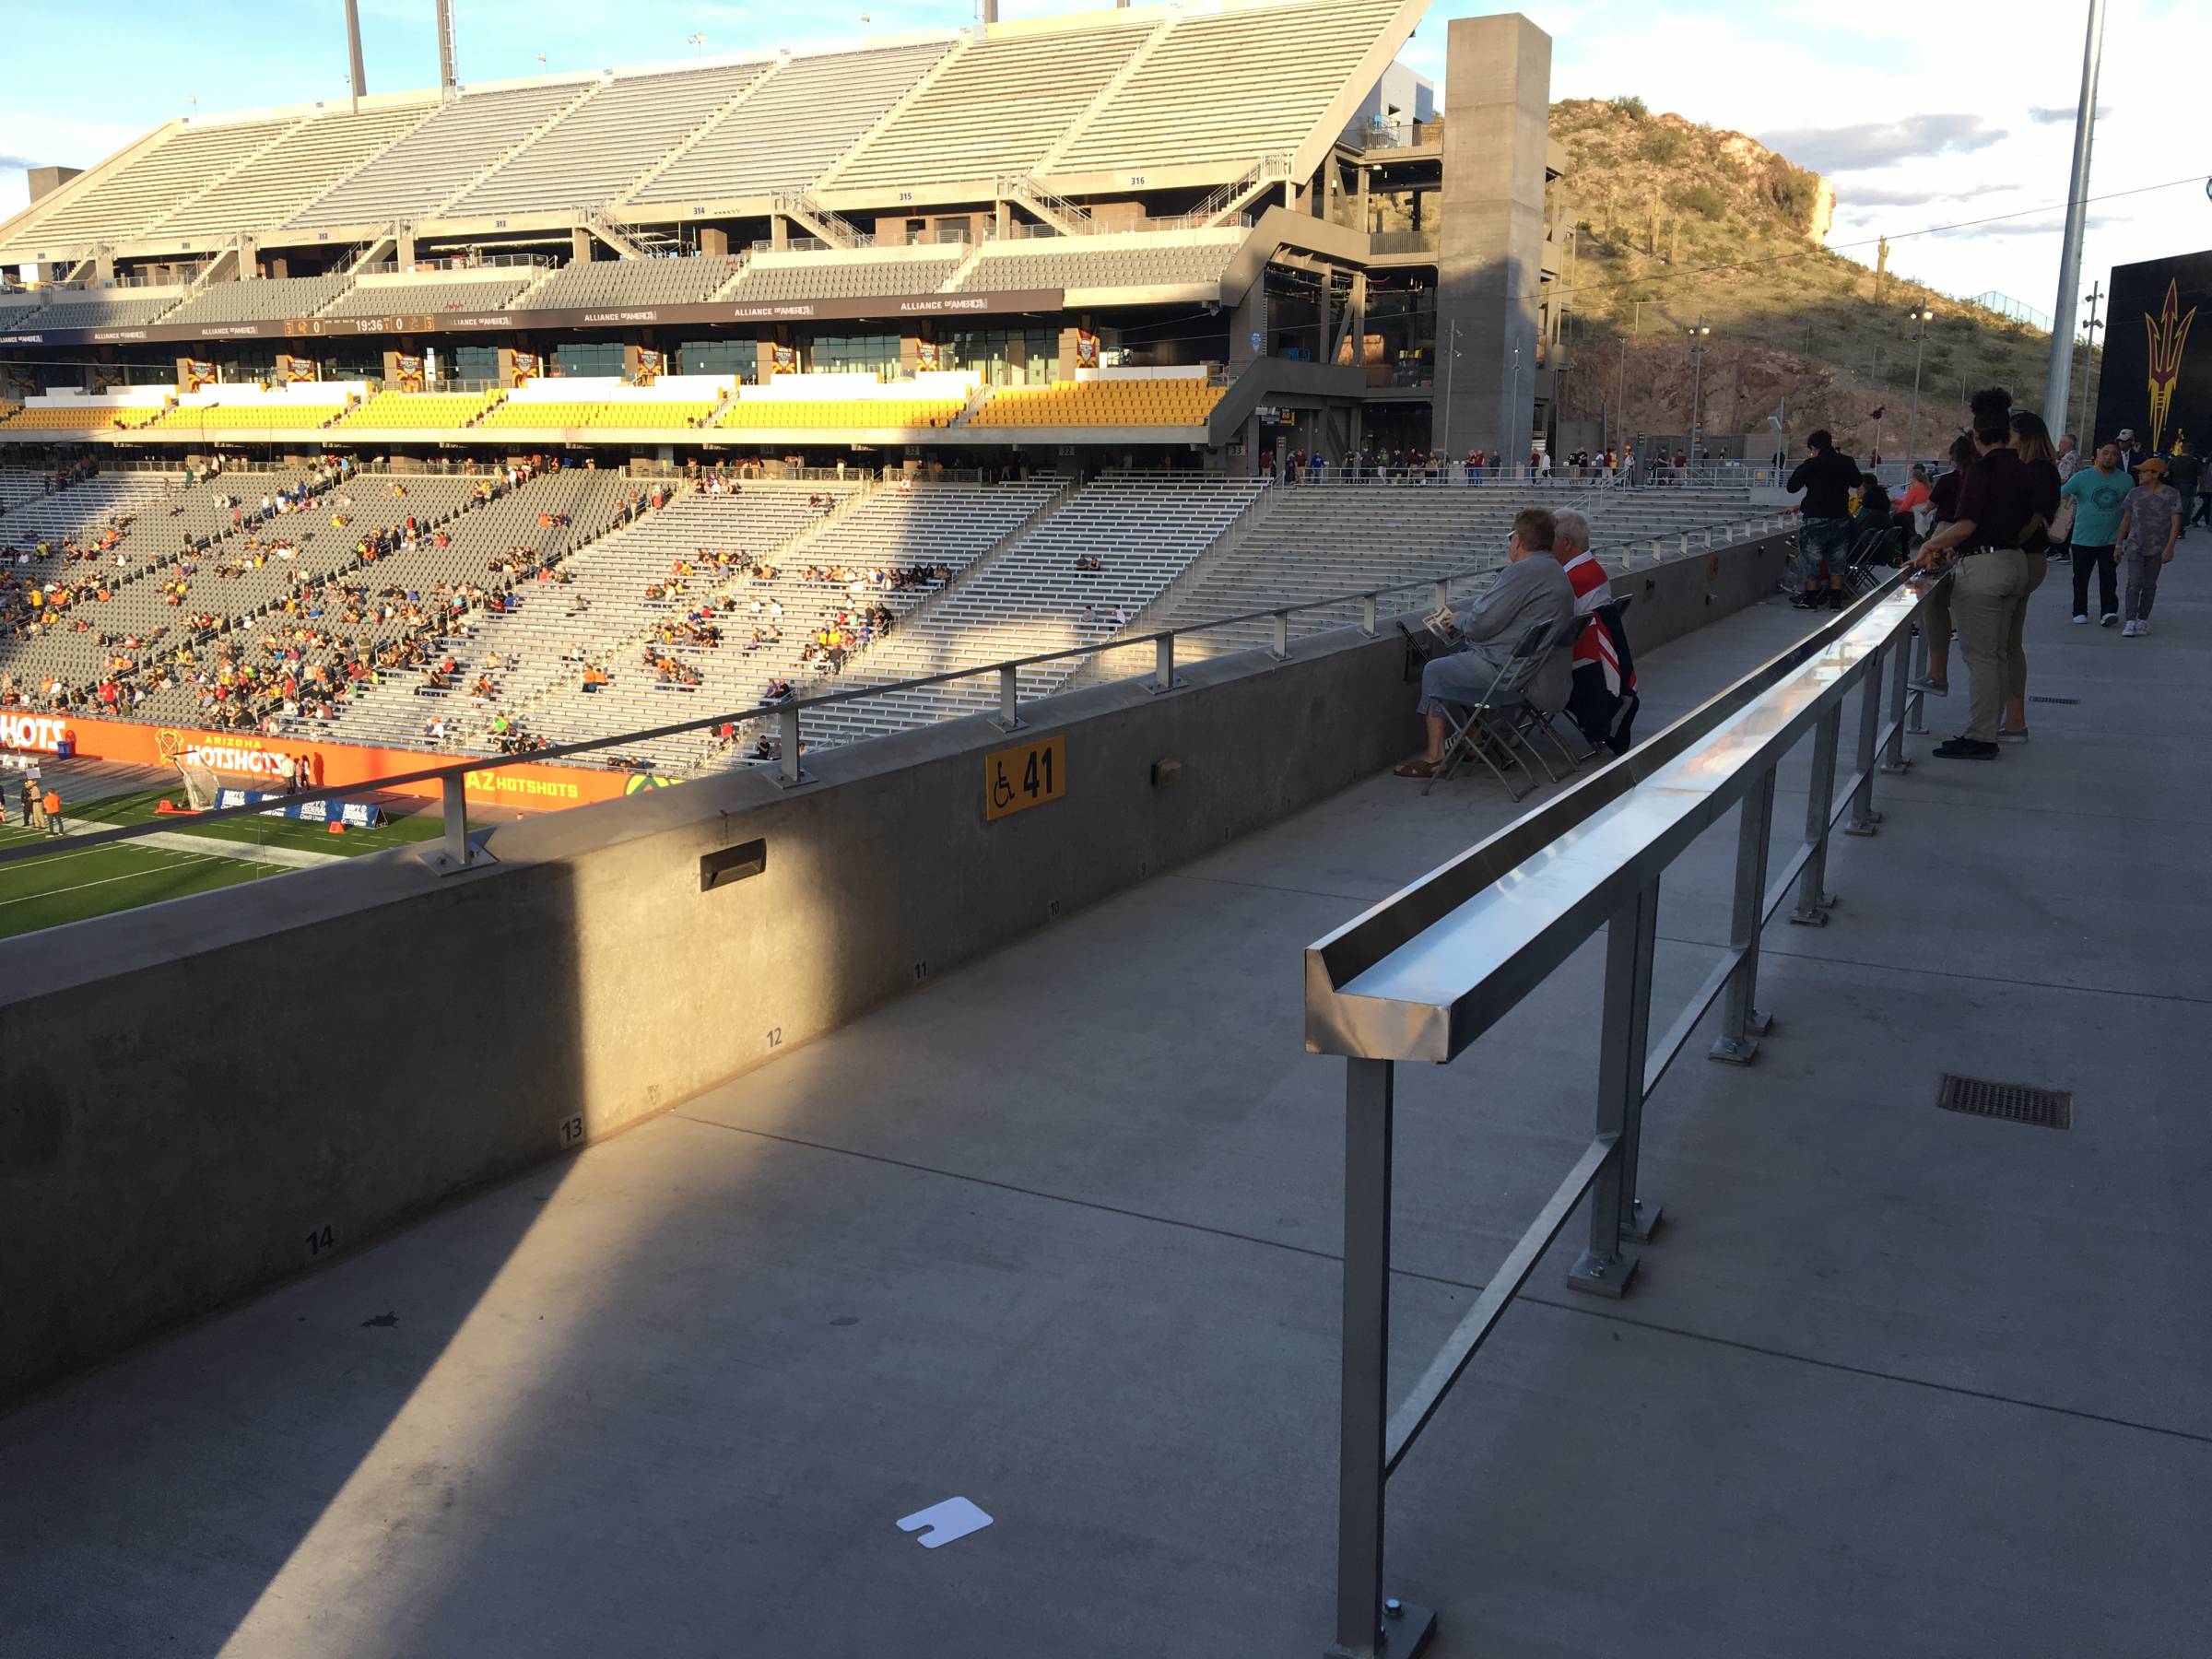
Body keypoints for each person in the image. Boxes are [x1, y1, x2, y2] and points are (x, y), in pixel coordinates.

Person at [1394, 508, 1577, 778]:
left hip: (1507, 673)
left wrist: (1458, 619)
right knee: (1464, 656)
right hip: (1531, 669)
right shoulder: (1555, 571)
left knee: (1435, 670)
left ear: (1518, 541)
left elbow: (1482, 625)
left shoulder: (1521, 572)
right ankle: (1474, 738)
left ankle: (1435, 756)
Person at [1912, 389, 2039, 759]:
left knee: (1981, 657)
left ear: (1976, 435)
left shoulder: (1980, 471)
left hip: (1984, 568)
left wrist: (1930, 546)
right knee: (1998, 654)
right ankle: (1989, 729)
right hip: (2015, 562)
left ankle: (1982, 737)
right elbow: (2032, 520)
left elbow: (1966, 524)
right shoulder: (2023, 469)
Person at [2000, 410, 2063, 738]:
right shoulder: (2045, 470)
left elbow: (2032, 517)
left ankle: (2012, 717)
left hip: (2024, 556)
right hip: (2031, 558)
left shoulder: (2036, 471)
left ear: (2021, 437)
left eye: (2008, 435)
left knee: (2006, 644)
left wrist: (2006, 541)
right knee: (2009, 642)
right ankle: (2012, 717)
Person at [1910, 433, 1981, 698]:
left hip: (1948, 533)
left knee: (1935, 591)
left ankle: (1938, 669)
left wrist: (1929, 538)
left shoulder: (1951, 480)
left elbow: (1930, 506)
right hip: (1978, 544)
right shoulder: (1989, 479)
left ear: (1954, 457)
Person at [1786, 429, 1861, 608]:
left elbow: (1792, 487)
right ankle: (1835, 600)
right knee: (1837, 561)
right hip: (1840, 518)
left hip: (1815, 519)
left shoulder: (1811, 464)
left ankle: (1811, 599)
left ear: (1813, 447)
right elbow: (1857, 482)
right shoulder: (1846, 462)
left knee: (1811, 560)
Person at [2059, 441, 2127, 626]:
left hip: (2111, 539)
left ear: (2118, 458)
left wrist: (2122, 541)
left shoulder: (2126, 480)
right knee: (2080, 577)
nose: (2109, 457)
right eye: (2105, 453)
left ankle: (2109, 611)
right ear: (2097, 455)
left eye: (2114, 454)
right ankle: (2080, 611)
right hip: (2083, 537)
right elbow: (2062, 494)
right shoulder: (2082, 478)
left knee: (2109, 577)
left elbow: (2129, 512)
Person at [2115, 456, 2181, 636]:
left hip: (2157, 547)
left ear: (2155, 474)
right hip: (2136, 545)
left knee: (2150, 584)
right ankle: (2130, 620)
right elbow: (2126, 520)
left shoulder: (2171, 495)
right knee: (2134, 582)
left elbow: (2175, 523)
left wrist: (2170, 547)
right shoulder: (2134, 494)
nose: (2140, 475)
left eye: (2144, 471)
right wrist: (2119, 544)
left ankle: (2142, 619)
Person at [2162, 439, 2201, 541]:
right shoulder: (2194, 462)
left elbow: (2166, 474)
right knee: (2184, 510)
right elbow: (2200, 476)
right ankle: (2180, 530)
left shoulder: (2174, 461)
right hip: (2189, 488)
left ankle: (2171, 528)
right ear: (2191, 451)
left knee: (2173, 508)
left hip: (2175, 486)